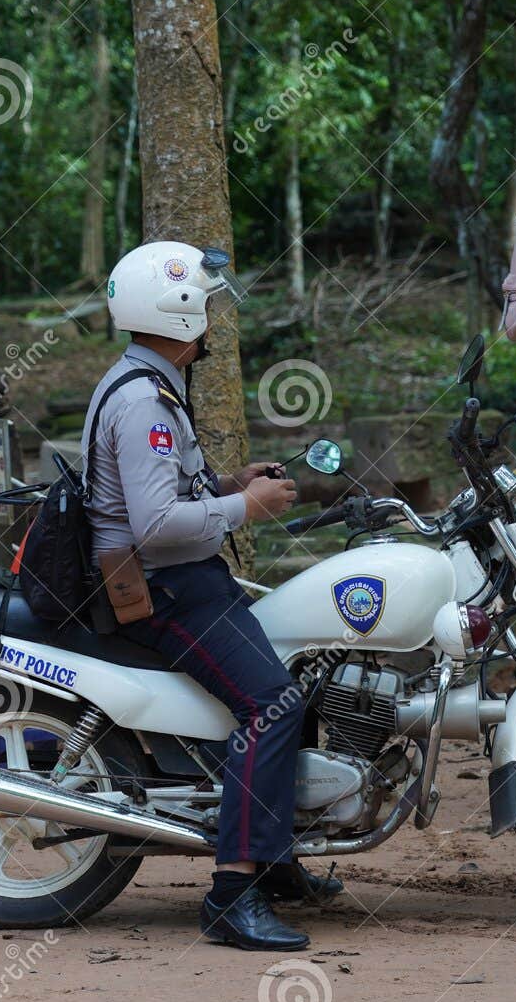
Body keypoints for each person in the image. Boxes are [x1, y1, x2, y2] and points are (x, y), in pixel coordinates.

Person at [85, 240, 343, 952]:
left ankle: (276, 856)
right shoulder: (145, 402)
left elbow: (167, 491)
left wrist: (229, 483)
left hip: (189, 579)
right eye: (205, 307)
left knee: (301, 674)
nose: (213, 321)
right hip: (168, 590)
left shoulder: (150, 382)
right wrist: (246, 509)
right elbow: (157, 525)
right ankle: (232, 891)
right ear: (181, 311)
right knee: (273, 702)